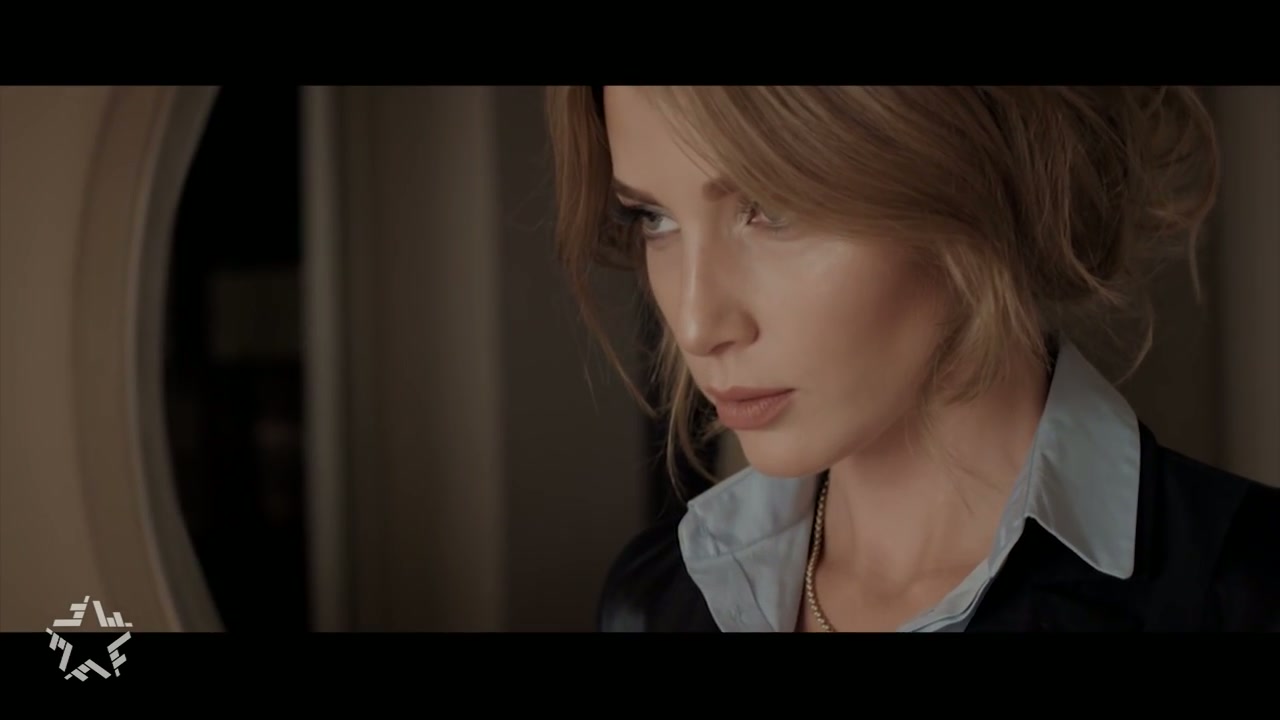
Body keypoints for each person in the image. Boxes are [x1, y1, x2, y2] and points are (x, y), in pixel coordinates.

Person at [545, 86, 1280, 632]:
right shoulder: (656, 600)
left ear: (968, 173)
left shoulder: (1245, 593)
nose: (696, 322)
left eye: (773, 207)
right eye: (655, 218)